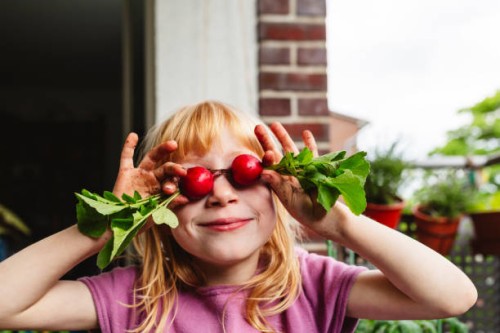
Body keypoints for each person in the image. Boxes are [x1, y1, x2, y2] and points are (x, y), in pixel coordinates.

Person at [0, 100, 477, 333]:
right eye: (194, 180)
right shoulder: (132, 296)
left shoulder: (315, 287)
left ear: (280, 192)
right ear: (159, 206)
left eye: (243, 175)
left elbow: (452, 296)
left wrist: (341, 225)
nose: (221, 194)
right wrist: (111, 222)